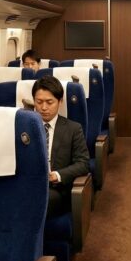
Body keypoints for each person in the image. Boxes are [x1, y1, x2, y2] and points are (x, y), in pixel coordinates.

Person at [32, 76, 90, 217]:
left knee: (38, 201)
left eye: (49, 102)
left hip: (55, 189)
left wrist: (57, 175)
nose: (43, 108)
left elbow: (83, 163)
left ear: (60, 101)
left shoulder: (73, 129)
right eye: (39, 102)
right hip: (29, 184)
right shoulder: (25, 128)